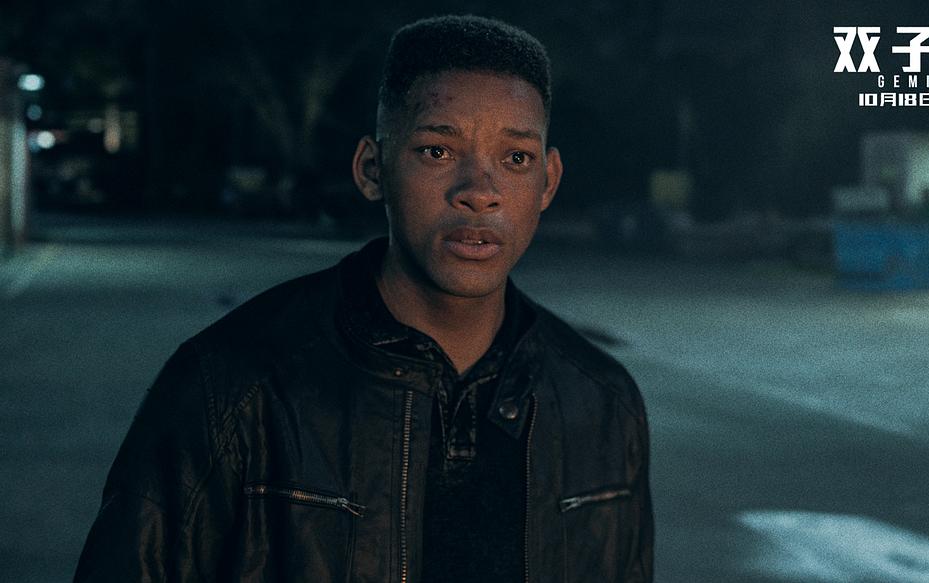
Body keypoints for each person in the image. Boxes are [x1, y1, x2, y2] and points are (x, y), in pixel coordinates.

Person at [74, 14, 653, 583]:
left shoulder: (603, 403)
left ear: (548, 181)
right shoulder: (231, 385)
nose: (480, 192)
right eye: (437, 151)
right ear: (372, 169)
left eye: (515, 158)